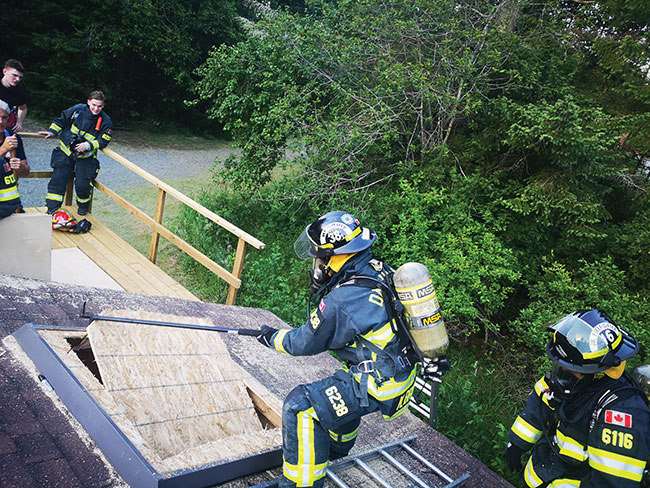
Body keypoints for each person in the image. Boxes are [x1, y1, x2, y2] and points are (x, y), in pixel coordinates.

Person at [256, 211, 418, 488]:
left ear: (336, 257)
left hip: (381, 383)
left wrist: (272, 338)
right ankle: (336, 450)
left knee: (300, 405)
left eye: (320, 256)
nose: (317, 263)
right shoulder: (377, 270)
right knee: (336, 389)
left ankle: (300, 484)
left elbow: (306, 341)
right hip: (400, 371)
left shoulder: (343, 299)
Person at [504, 309, 650, 487]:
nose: (561, 374)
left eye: (569, 369)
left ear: (597, 372)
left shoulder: (622, 414)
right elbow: (540, 403)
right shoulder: (573, 381)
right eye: (560, 366)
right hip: (544, 472)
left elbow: (609, 484)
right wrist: (517, 443)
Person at [39, 90, 113, 216]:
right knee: (58, 179)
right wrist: (52, 131)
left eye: (99, 106)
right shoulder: (78, 110)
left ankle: (83, 209)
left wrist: (87, 145)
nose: (96, 109)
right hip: (65, 152)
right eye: (94, 105)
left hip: (86, 157)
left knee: (82, 185)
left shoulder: (106, 121)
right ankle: (51, 208)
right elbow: (62, 119)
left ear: (103, 106)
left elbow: (104, 140)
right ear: (88, 101)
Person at [0, 100, 29, 219]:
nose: (0, 122)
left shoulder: (13, 137)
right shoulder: (8, 143)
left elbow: (26, 172)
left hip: (10, 205)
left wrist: (21, 167)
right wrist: (3, 150)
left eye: (4, 117)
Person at [0, 59, 28, 132]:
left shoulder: (20, 93)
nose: (17, 79)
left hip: (7, 128)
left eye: (20, 77)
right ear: (4, 71)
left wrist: (19, 122)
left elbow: (23, 108)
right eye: (15, 75)